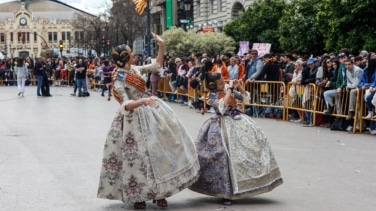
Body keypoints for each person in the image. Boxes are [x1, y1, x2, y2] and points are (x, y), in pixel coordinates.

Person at [97, 33, 200, 209]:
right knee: (137, 159)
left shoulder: (135, 69)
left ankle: (161, 192)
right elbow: (125, 104)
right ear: (125, 57)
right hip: (132, 121)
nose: (133, 55)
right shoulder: (118, 78)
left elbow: (156, 65)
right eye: (130, 53)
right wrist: (142, 101)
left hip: (151, 113)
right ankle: (139, 196)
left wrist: (162, 45)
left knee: (160, 152)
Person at [189, 72, 283, 205]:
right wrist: (230, 89)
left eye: (223, 81)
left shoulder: (228, 88)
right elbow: (223, 105)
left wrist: (239, 86)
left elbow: (244, 98)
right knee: (221, 157)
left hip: (238, 121)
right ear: (213, 85)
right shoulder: (211, 96)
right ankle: (225, 191)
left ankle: (246, 186)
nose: (224, 83)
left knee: (248, 151)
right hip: (220, 126)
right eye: (220, 83)